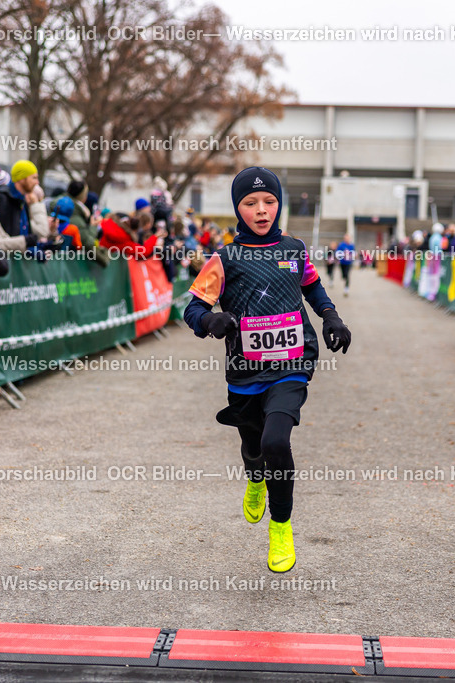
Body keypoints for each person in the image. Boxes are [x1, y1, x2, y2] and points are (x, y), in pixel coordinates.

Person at [182, 167, 351, 573]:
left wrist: (331, 316)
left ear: (280, 204)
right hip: (245, 369)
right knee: (254, 446)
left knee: (276, 440)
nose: (261, 210)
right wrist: (209, 321)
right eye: (250, 203)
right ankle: (255, 477)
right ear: (237, 208)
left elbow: (312, 286)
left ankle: (281, 528)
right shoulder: (224, 258)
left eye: (269, 201)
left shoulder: (294, 249)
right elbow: (193, 308)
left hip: (293, 361)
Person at [0, 160, 51, 247]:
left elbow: (36, 233)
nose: (37, 182)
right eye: (34, 178)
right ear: (22, 178)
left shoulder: (22, 200)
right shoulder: (4, 198)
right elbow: (4, 237)